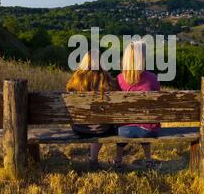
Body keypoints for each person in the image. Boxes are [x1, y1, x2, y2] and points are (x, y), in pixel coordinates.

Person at [66, 50, 118, 169]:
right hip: (102, 128)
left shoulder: (76, 78)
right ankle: (93, 159)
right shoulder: (106, 78)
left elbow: (69, 90)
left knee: (93, 121)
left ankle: (92, 157)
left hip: (80, 127)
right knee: (100, 124)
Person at [114, 41, 161, 169]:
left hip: (124, 130)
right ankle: (148, 159)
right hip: (149, 130)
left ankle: (118, 159)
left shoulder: (119, 79)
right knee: (145, 122)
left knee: (124, 126)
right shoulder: (152, 78)